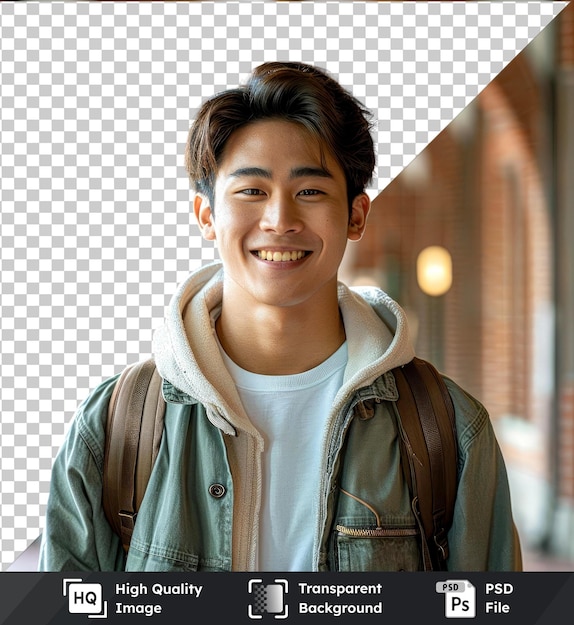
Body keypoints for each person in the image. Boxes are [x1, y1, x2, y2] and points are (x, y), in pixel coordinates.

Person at [39, 61, 522, 572]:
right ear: (207, 216)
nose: (279, 220)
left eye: (310, 191)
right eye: (251, 191)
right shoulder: (117, 428)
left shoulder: (447, 429)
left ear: (356, 215)